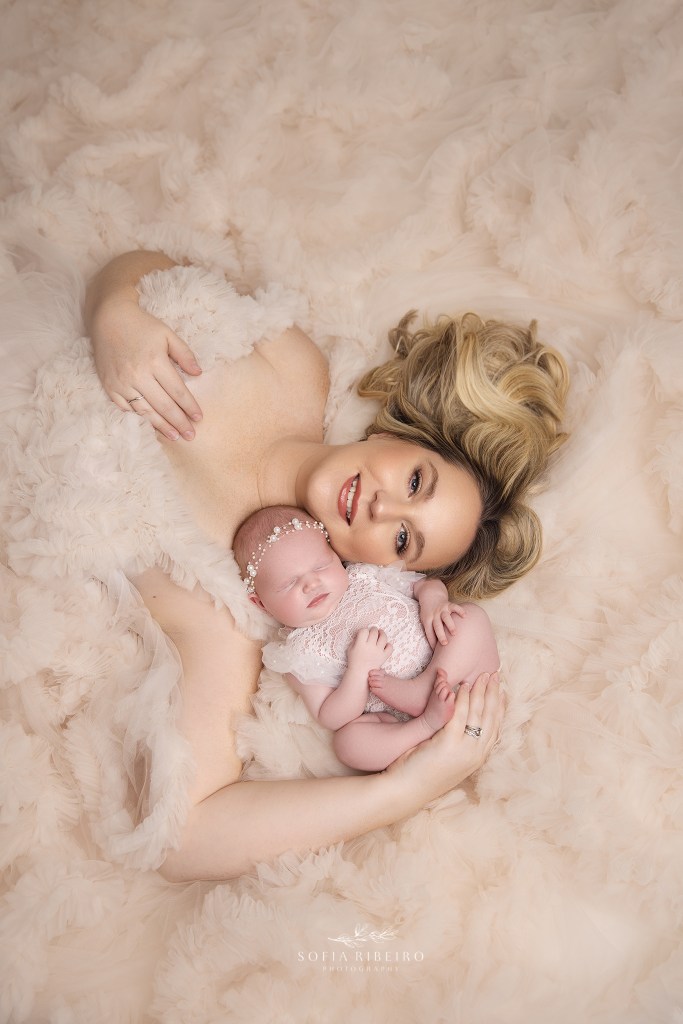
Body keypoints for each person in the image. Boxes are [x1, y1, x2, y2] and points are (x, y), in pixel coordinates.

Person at [84, 250, 568, 881]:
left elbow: (185, 837)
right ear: (395, 437)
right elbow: (153, 265)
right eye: (415, 481)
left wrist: (405, 789)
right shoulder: (295, 368)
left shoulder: (220, 609)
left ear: (381, 570)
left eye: (402, 539)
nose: (383, 507)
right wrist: (114, 311)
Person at [233, 505, 501, 772]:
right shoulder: (299, 652)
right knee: (348, 744)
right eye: (289, 584)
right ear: (261, 604)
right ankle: (426, 726)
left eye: (321, 566)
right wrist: (359, 669)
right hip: (401, 719)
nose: (311, 584)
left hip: (460, 673)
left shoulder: (364, 576)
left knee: (470, 618)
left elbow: (424, 583)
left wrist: (434, 601)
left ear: (335, 556)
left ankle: (424, 687)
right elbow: (330, 715)